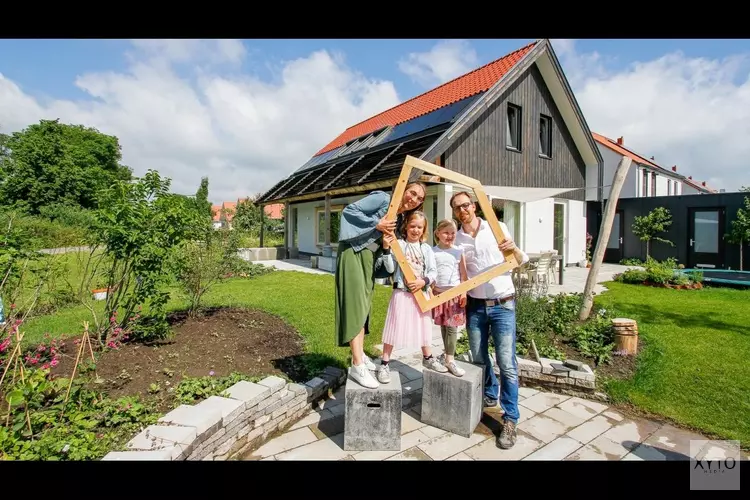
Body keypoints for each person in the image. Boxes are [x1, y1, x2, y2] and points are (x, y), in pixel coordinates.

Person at [450, 191, 529, 450]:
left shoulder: (497, 227)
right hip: (475, 307)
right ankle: (489, 394)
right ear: (455, 212)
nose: (463, 210)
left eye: (466, 205)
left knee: (506, 363)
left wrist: (513, 248)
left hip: (503, 304)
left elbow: (520, 261)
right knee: (480, 359)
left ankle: (510, 419)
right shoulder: (457, 239)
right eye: (457, 207)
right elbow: (457, 274)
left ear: (474, 206)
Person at [335, 182, 427, 389]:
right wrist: (377, 224)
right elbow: (349, 212)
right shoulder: (383, 199)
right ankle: (358, 364)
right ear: (403, 190)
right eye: (412, 193)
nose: (414, 199)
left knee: (364, 306)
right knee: (355, 305)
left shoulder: (401, 217)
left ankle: (358, 356)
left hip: (368, 258)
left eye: (419, 198)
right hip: (354, 252)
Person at [376, 210, 447, 384]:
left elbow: (432, 272)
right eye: (412, 226)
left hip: (420, 294)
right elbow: (391, 268)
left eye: (419, 227)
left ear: (424, 230)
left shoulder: (426, 248)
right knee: (394, 326)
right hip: (401, 292)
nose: (416, 230)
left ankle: (428, 357)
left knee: (424, 326)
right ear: (406, 226)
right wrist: (386, 248)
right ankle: (385, 363)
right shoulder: (398, 244)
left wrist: (423, 282)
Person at [430, 219, 468, 377]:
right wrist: (431, 291)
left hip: (454, 294)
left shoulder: (458, 251)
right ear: (437, 233)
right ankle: (447, 355)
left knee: (452, 327)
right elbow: (430, 273)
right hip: (439, 294)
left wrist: (464, 292)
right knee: (444, 326)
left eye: (453, 233)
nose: (450, 236)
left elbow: (464, 275)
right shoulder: (432, 251)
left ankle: (450, 359)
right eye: (446, 232)